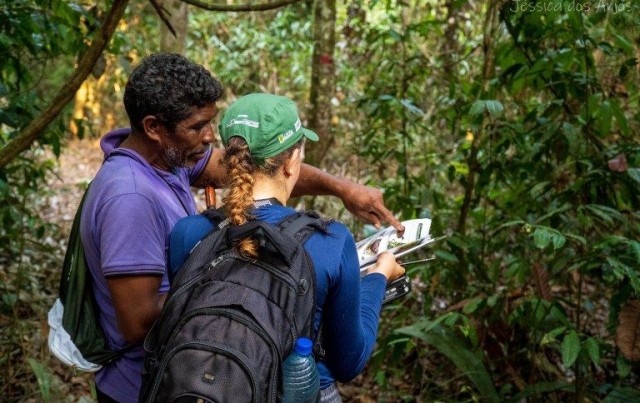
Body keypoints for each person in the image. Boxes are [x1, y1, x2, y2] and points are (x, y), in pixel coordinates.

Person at [79, 53, 403, 403]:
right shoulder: (130, 196)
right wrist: (376, 277)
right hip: (156, 383)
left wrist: (341, 188)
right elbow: (137, 324)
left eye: (211, 126)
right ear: (154, 127)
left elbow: (248, 172)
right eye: (196, 126)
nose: (207, 139)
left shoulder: (177, 186)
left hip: (205, 379)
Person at [169, 93, 405, 402]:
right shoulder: (331, 241)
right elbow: (348, 362)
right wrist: (378, 277)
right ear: (292, 163)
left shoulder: (188, 233)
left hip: (204, 388)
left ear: (227, 158)